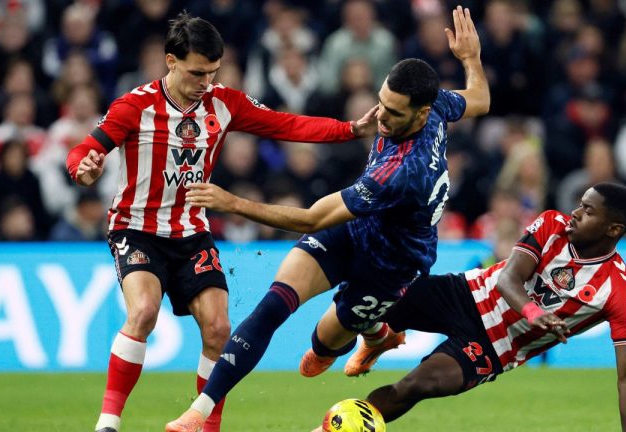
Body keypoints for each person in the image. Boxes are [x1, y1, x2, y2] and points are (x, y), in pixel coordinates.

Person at [166, 6, 490, 431]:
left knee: (323, 345)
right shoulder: (437, 107)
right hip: (353, 233)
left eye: (393, 113)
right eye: (381, 103)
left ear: (421, 114)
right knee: (271, 308)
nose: (382, 118)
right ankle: (199, 413)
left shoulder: (401, 173)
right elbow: (480, 100)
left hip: (393, 266)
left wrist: (233, 202)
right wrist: (470, 59)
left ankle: (376, 332)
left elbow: (310, 220)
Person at [66, 12, 378, 432]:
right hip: (136, 228)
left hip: (192, 232)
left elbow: (286, 125)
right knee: (143, 312)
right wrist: (82, 168)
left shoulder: (223, 103)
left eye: (212, 73)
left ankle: (206, 427)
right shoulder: (135, 105)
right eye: (197, 72)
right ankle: (107, 423)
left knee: (218, 328)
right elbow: (86, 151)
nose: (206, 82)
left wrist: (349, 129)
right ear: (170, 61)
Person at [313, 182, 626, 432]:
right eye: (579, 204)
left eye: (588, 210)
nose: (575, 212)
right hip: (466, 293)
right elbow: (508, 279)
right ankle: (377, 336)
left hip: (494, 346)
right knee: (371, 294)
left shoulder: (618, 291)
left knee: (415, 386)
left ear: (613, 229)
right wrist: (535, 313)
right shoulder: (551, 224)